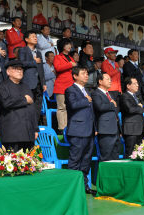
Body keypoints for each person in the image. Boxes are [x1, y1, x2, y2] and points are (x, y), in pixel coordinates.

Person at [65, 67, 96, 195]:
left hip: (89, 131)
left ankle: (84, 186)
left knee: (85, 161)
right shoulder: (70, 90)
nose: (86, 76)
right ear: (75, 76)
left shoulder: (87, 90)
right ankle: (72, 189)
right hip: (77, 131)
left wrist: (95, 128)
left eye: (87, 73)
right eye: (83, 73)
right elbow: (72, 105)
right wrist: (86, 100)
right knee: (75, 161)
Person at [0, 60, 39, 151]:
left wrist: (35, 129)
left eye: (21, 69)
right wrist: (24, 100)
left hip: (28, 133)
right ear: (8, 72)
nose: (20, 71)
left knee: (29, 162)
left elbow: (32, 109)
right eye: (16, 69)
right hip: (12, 134)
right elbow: (6, 103)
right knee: (13, 163)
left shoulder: (26, 87)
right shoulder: (2, 86)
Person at [18, 30, 46, 121]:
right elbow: (21, 63)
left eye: (36, 36)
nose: (35, 38)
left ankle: (35, 126)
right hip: (28, 82)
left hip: (39, 83)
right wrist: (34, 62)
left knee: (37, 106)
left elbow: (41, 68)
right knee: (28, 105)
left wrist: (43, 83)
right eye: (33, 36)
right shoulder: (23, 50)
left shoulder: (38, 52)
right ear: (26, 39)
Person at [92, 73, 120, 161]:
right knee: (106, 156)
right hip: (105, 129)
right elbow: (100, 107)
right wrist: (112, 104)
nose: (110, 81)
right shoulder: (96, 93)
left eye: (110, 79)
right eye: (107, 79)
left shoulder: (110, 94)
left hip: (114, 129)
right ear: (100, 81)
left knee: (115, 156)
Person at [53, 38, 76, 132]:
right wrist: (70, 65)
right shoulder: (57, 57)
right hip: (61, 86)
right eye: (67, 44)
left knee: (70, 106)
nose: (69, 46)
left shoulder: (70, 58)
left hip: (71, 86)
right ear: (62, 46)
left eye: (70, 44)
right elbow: (57, 68)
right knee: (62, 107)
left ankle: (70, 127)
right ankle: (62, 128)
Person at [120, 77, 144, 156]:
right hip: (131, 129)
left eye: (137, 83)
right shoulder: (124, 96)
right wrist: (139, 107)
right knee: (130, 153)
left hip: (139, 129)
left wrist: (139, 107)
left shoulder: (137, 96)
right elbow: (130, 109)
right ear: (128, 86)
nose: (137, 85)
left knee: (139, 154)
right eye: (135, 84)